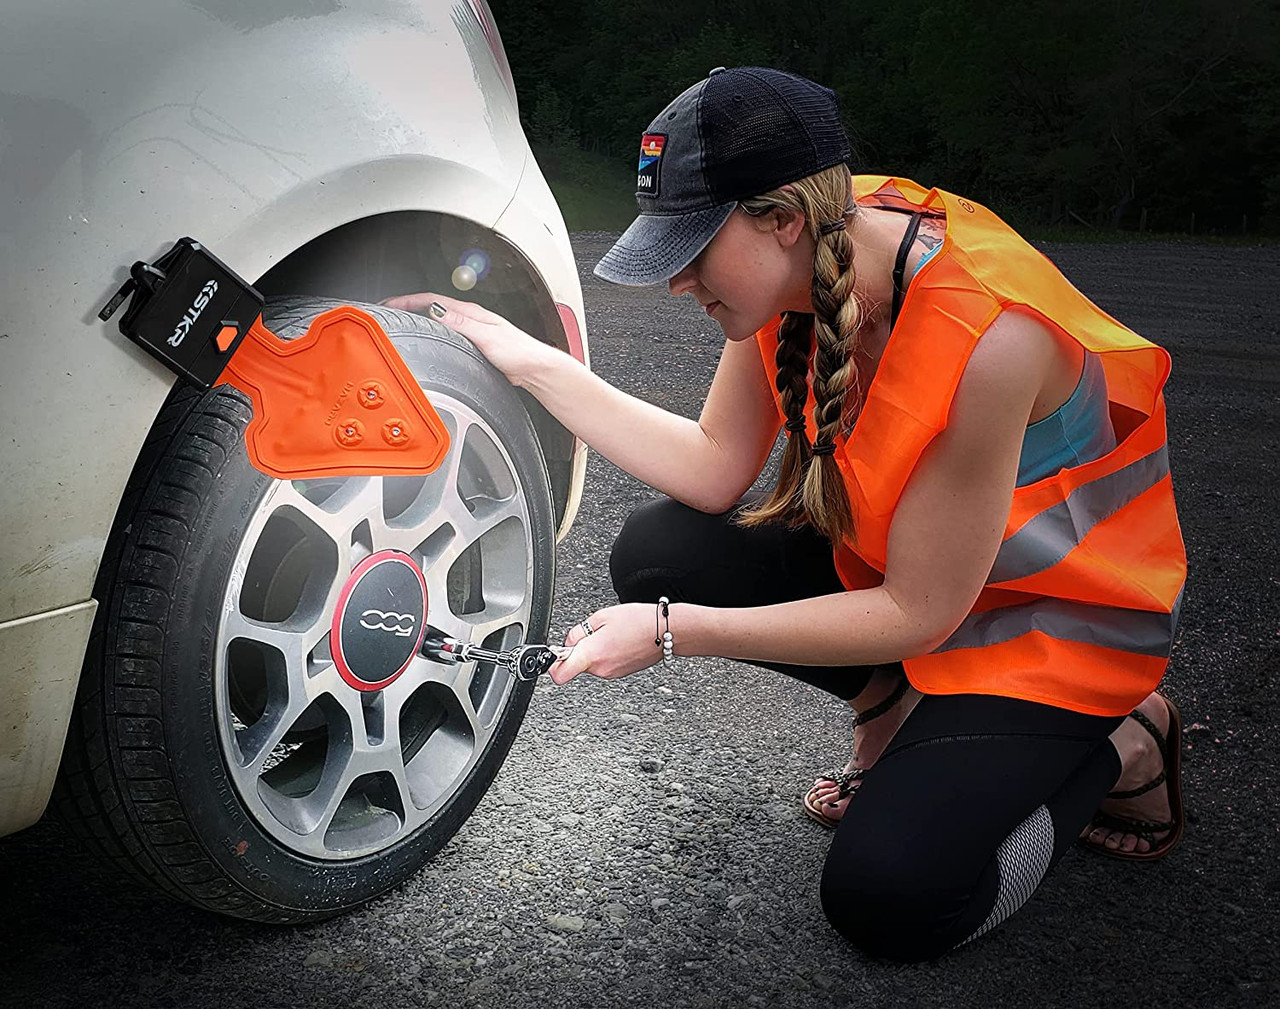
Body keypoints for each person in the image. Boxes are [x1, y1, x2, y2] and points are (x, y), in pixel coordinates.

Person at [381, 66, 1187, 962]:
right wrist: (529, 361)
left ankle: (1125, 742)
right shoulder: (814, 250)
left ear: (783, 220)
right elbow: (713, 467)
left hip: (1052, 628)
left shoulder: (992, 340)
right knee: (660, 549)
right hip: (918, 579)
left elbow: (922, 611)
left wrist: (675, 631)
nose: (677, 282)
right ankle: (895, 707)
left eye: (691, 248)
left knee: (894, 897)